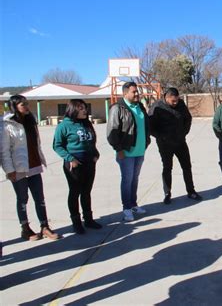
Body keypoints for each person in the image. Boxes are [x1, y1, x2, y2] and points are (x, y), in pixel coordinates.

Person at [1, 95, 60, 241]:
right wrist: (9, 171)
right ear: (14, 106)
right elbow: (4, 150)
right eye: (23, 104)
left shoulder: (30, 120)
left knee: (39, 198)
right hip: (18, 168)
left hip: (34, 165)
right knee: (22, 198)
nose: (26, 106)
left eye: (27, 103)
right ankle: (25, 228)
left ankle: (45, 226)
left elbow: (36, 144)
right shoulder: (6, 125)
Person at [53, 99, 102, 234]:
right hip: (74, 164)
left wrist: (95, 154)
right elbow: (57, 146)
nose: (84, 110)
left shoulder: (86, 124)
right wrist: (70, 159)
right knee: (75, 192)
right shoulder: (64, 126)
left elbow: (92, 142)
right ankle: (76, 222)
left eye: (85, 108)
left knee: (86, 192)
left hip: (89, 163)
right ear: (73, 109)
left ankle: (89, 219)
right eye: (81, 108)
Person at [148, 87, 202, 204]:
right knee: (167, 168)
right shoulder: (157, 107)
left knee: (187, 166)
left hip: (180, 142)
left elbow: (188, 118)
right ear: (166, 98)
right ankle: (167, 193)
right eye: (173, 101)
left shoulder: (181, 104)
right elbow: (150, 127)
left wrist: (184, 132)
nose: (176, 103)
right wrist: (161, 137)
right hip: (165, 144)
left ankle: (191, 191)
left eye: (177, 100)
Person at [107, 82, 150, 222]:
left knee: (135, 179)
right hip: (126, 152)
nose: (137, 94)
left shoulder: (140, 107)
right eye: (134, 92)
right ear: (125, 94)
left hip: (139, 151)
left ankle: (133, 204)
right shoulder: (117, 108)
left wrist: (146, 142)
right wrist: (118, 149)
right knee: (127, 180)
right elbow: (111, 131)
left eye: (137, 91)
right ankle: (126, 208)